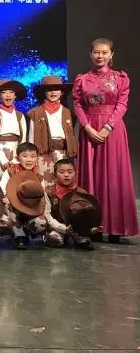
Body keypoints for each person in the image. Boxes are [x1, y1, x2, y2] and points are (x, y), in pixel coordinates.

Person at [72, 37, 138, 241]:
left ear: (111, 55)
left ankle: (115, 227)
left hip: (113, 129)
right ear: (90, 54)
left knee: (113, 176)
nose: (100, 56)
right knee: (91, 177)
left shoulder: (120, 78)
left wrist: (108, 127)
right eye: (96, 52)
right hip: (89, 128)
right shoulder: (82, 79)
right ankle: (93, 226)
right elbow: (77, 104)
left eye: (104, 52)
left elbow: (122, 104)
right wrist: (86, 127)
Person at [1, 142, 60, 250]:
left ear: (37, 158)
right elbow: (2, 188)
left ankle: (28, 231)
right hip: (14, 207)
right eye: (25, 156)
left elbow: (41, 194)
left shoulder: (38, 175)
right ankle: (20, 236)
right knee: (7, 205)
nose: (29, 160)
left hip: (31, 207)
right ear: (17, 158)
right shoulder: (10, 171)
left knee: (41, 223)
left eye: (32, 156)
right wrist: (6, 197)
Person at [27, 76, 77, 194]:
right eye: (49, 90)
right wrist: (33, 157)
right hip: (43, 154)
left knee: (63, 184)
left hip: (63, 153)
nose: (53, 92)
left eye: (56, 89)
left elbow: (70, 134)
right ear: (44, 93)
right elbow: (31, 137)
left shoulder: (68, 113)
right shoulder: (36, 113)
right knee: (45, 184)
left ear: (62, 92)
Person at [45, 159, 102, 250]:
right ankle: (62, 237)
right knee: (55, 240)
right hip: (57, 227)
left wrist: (92, 228)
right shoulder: (49, 192)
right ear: (55, 175)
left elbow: (88, 214)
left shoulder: (81, 192)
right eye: (62, 172)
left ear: (75, 173)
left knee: (84, 243)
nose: (66, 175)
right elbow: (47, 215)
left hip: (77, 228)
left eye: (70, 172)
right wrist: (63, 229)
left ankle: (77, 237)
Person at [0, 79, 27, 177]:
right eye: (4, 92)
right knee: (1, 178)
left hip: (15, 151)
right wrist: (3, 159)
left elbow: (23, 139)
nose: (8, 95)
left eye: (11, 92)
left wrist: (17, 158)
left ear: (15, 96)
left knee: (15, 178)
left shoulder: (20, 115)